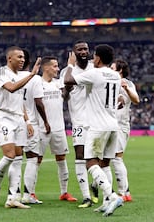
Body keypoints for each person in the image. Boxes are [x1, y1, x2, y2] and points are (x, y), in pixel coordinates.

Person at [64, 44, 124, 217]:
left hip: (98, 126)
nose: (92, 58)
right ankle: (106, 203)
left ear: (98, 58)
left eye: (94, 56)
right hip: (113, 125)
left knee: (90, 162)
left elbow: (68, 81)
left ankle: (112, 196)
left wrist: (70, 65)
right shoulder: (115, 75)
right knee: (105, 164)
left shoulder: (94, 73)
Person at [0, 46, 41, 209]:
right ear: (9, 58)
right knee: (10, 155)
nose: (22, 60)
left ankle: (12, 197)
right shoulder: (1, 72)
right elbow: (11, 88)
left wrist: (27, 121)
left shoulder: (20, 76)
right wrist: (32, 75)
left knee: (18, 157)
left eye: (24, 58)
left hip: (19, 118)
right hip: (4, 116)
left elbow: (21, 102)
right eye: (19, 57)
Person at [59, 40, 94, 208]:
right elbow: (64, 97)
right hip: (79, 120)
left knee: (97, 158)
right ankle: (86, 196)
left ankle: (97, 186)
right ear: (73, 52)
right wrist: (67, 90)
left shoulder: (95, 67)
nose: (83, 51)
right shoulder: (67, 71)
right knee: (80, 157)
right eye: (79, 49)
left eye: (86, 49)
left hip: (96, 120)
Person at [37, 56, 77, 202]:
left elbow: (65, 98)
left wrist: (67, 89)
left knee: (61, 158)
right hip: (41, 128)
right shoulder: (37, 83)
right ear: (46, 68)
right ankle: (31, 192)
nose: (57, 69)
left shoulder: (58, 83)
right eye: (54, 66)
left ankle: (64, 192)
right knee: (37, 159)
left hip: (59, 128)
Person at [19, 50, 51, 205]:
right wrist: (46, 121)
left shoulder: (12, 78)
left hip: (15, 123)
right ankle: (27, 195)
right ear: (29, 62)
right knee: (32, 159)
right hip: (31, 123)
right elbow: (39, 102)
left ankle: (12, 193)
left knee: (16, 159)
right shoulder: (35, 79)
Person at [110, 59, 140, 202]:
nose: (110, 69)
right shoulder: (107, 82)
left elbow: (136, 100)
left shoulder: (128, 83)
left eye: (112, 67)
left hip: (120, 125)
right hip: (106, 124)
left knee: (117, 157)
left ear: (120, 70)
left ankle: (125, 192)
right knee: (103, 159)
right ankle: (107, 190)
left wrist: (126, 88)